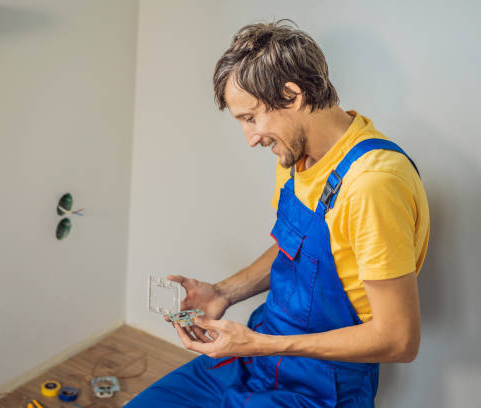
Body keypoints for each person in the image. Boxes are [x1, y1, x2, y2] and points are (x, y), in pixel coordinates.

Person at [124, 20, 430, 408]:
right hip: (255, 360)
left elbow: (400, 339)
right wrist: (223, 292)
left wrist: (262, 344)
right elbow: (296, 247)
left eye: (251, 118)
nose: (251, 138)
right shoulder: (294, 156)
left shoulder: (373, 184)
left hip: (320, 388)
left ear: (292, 94)